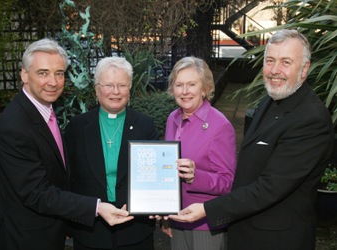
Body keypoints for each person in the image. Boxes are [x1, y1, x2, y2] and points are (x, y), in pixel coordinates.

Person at [168, 29, 335, 250]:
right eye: (270, 61)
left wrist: (209, 209)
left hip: (277, 239)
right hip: (247, 230)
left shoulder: (310, 119)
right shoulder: (270, 100)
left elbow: (270, 187)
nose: (275, 70)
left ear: (304, 69)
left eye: (286, 62)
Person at [0, 38, 133, 250]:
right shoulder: (14, 126)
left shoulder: (43, 111)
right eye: (43, 73)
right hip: (26, 239)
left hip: (51, 233)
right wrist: (96, 207)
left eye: (59, 73)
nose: (53, 81)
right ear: (24, 74)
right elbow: (36, 192)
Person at [65, 56, 159, 250]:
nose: (115, 92)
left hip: (134, 227)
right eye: (108, 85)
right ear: (97, 89)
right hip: (90, 230)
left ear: (130, 88)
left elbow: (154, 175)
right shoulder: (77, 127)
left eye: (122, 85)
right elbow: (68, 177)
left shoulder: (145, 125)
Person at [160, 56, 236, 250]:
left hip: (204, 223)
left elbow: (228, 182)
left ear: (204, 88)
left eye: (192, 84)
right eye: (179, 85)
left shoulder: (220, 126)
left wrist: (196, 176)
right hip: (177, 217)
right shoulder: (172, 118)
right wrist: (165, 214)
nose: (185, 91)